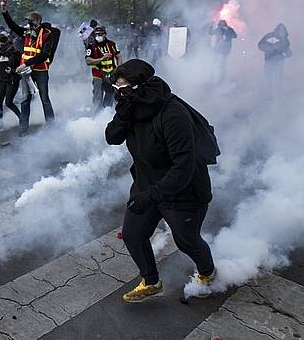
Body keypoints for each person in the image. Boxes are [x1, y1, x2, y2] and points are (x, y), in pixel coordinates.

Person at [105, 59, 216, 302]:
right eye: (116, 89)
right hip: (147, 184)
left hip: (183, 192)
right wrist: (122, 114)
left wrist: (149, 197)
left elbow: (183, 168)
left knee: (187, 242)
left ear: (141, 87)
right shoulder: (131, 105)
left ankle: (207, 272)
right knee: (133, 235)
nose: (118, 94)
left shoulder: (173, 114)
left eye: (123, 89)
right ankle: (151, 282)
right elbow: (112, 137)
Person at [1, 0, 59, 135]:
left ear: (37, 20)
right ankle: (23, 128)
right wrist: (4, 11)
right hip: (26, 71)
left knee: (44, 99)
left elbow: (44, 55)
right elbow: (12, 26)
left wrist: (25, 64)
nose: (28, 23)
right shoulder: (27, 32)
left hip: (40, 71)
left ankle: (52, 128)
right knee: (25, 99)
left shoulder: (47, 34)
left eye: (30, 21)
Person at [85, 26, 124, 111]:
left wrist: (119, 68)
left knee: (111, 93)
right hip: (98, 74)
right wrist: (101, 59)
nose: (98, 36)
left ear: (105, 34)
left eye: (100, 34)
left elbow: (119, 56)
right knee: (97, 95)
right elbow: (88, 61)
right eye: (96, 34)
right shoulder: (91, 45)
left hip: (111, 73)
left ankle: (106, 112)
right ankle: (96, 115)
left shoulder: (112, 44)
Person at [0, 34, 22, 122]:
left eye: (1, 45)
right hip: (1, 81)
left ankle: (22, 118)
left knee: (9, 103)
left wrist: (12, 71)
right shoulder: (0, 54)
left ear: (6, 44)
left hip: (11, 81)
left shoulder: (15, 54)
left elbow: (20, 68)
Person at [258, 23, 291, 92]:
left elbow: (286, 48)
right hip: (269, 60)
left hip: (279, 61)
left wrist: (288, 53)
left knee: (277, 77)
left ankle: (276, 91)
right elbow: (260, 45)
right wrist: (269, 48)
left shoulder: (284, 38)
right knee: (269, 76)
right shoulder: (269, 36)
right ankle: (269, 91)